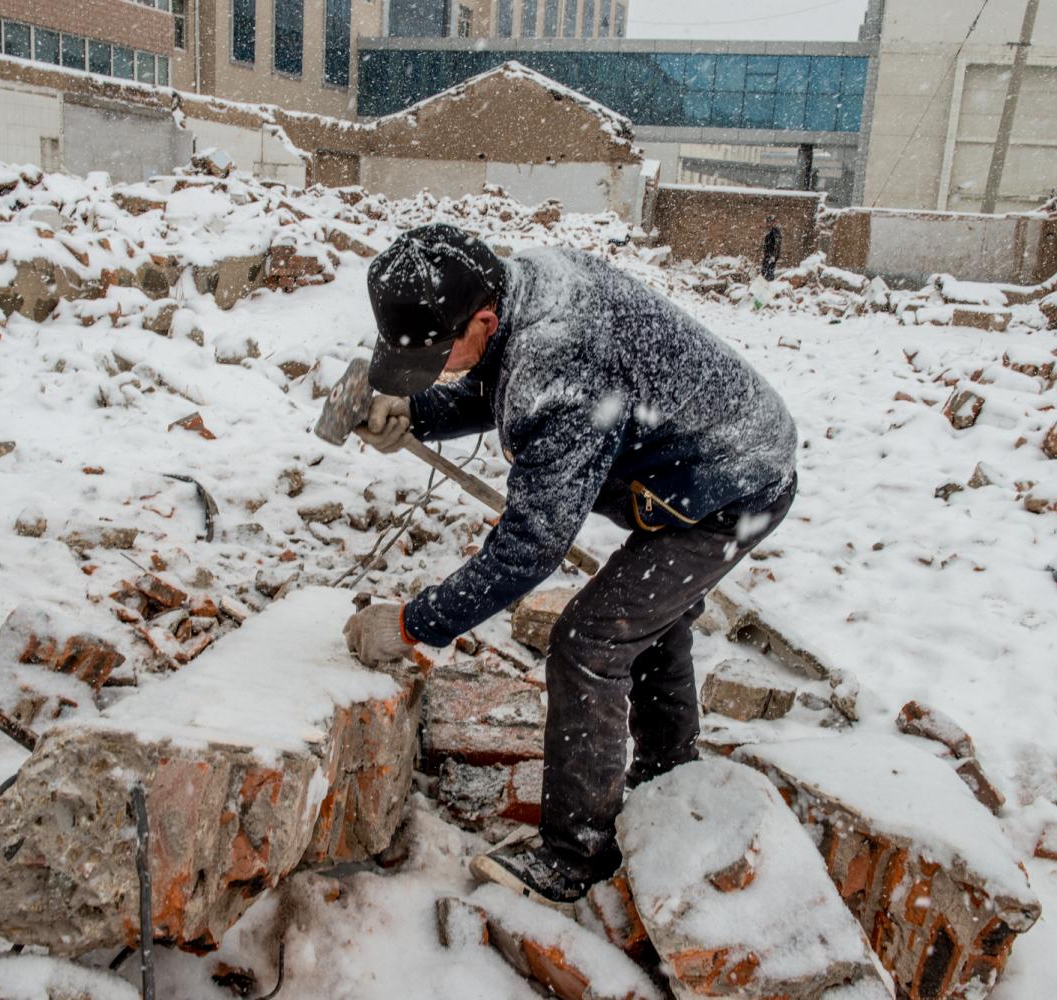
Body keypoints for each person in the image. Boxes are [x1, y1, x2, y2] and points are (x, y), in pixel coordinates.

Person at [342, 223, 798, 908]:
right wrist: (415, 412)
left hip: (733, 486)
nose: (435, 368)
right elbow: (495, 384)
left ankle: (575, 855)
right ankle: (669, 774)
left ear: (485, 318)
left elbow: (529, 547)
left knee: (591, 642)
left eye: (436, 355)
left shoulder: (559, 366)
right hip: (708, 454)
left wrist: (413, 623)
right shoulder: (517, 288)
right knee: (646, 614)